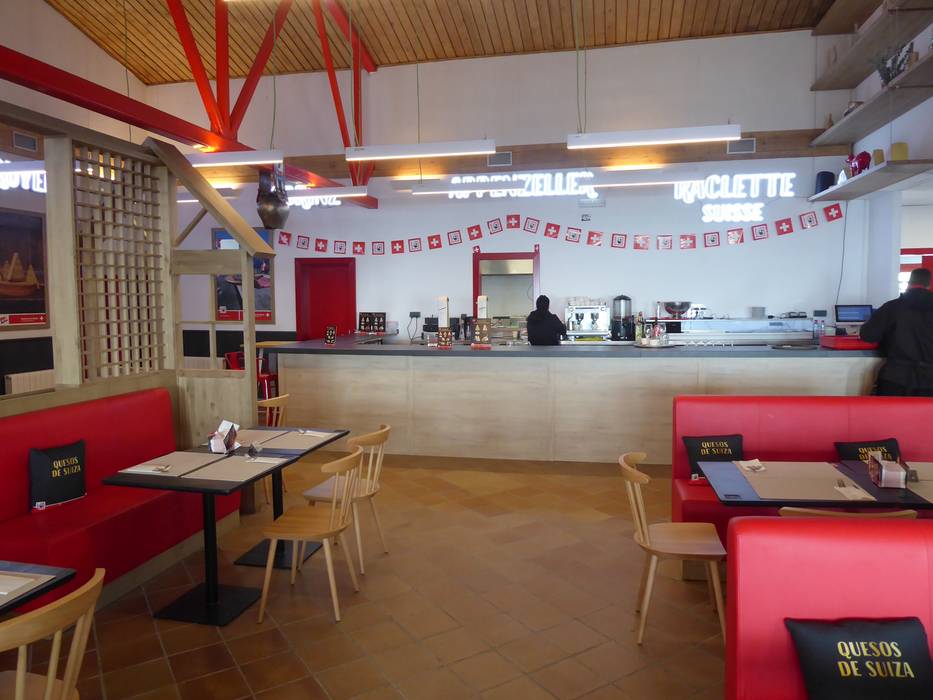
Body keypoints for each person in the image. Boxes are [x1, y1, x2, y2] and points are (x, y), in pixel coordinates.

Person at [860, 268, 933, 396]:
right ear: (929, 285)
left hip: (895, 377)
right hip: (929, 380)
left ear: (909, 283)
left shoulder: (891, 307)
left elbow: (868, 335)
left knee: (891, 410)